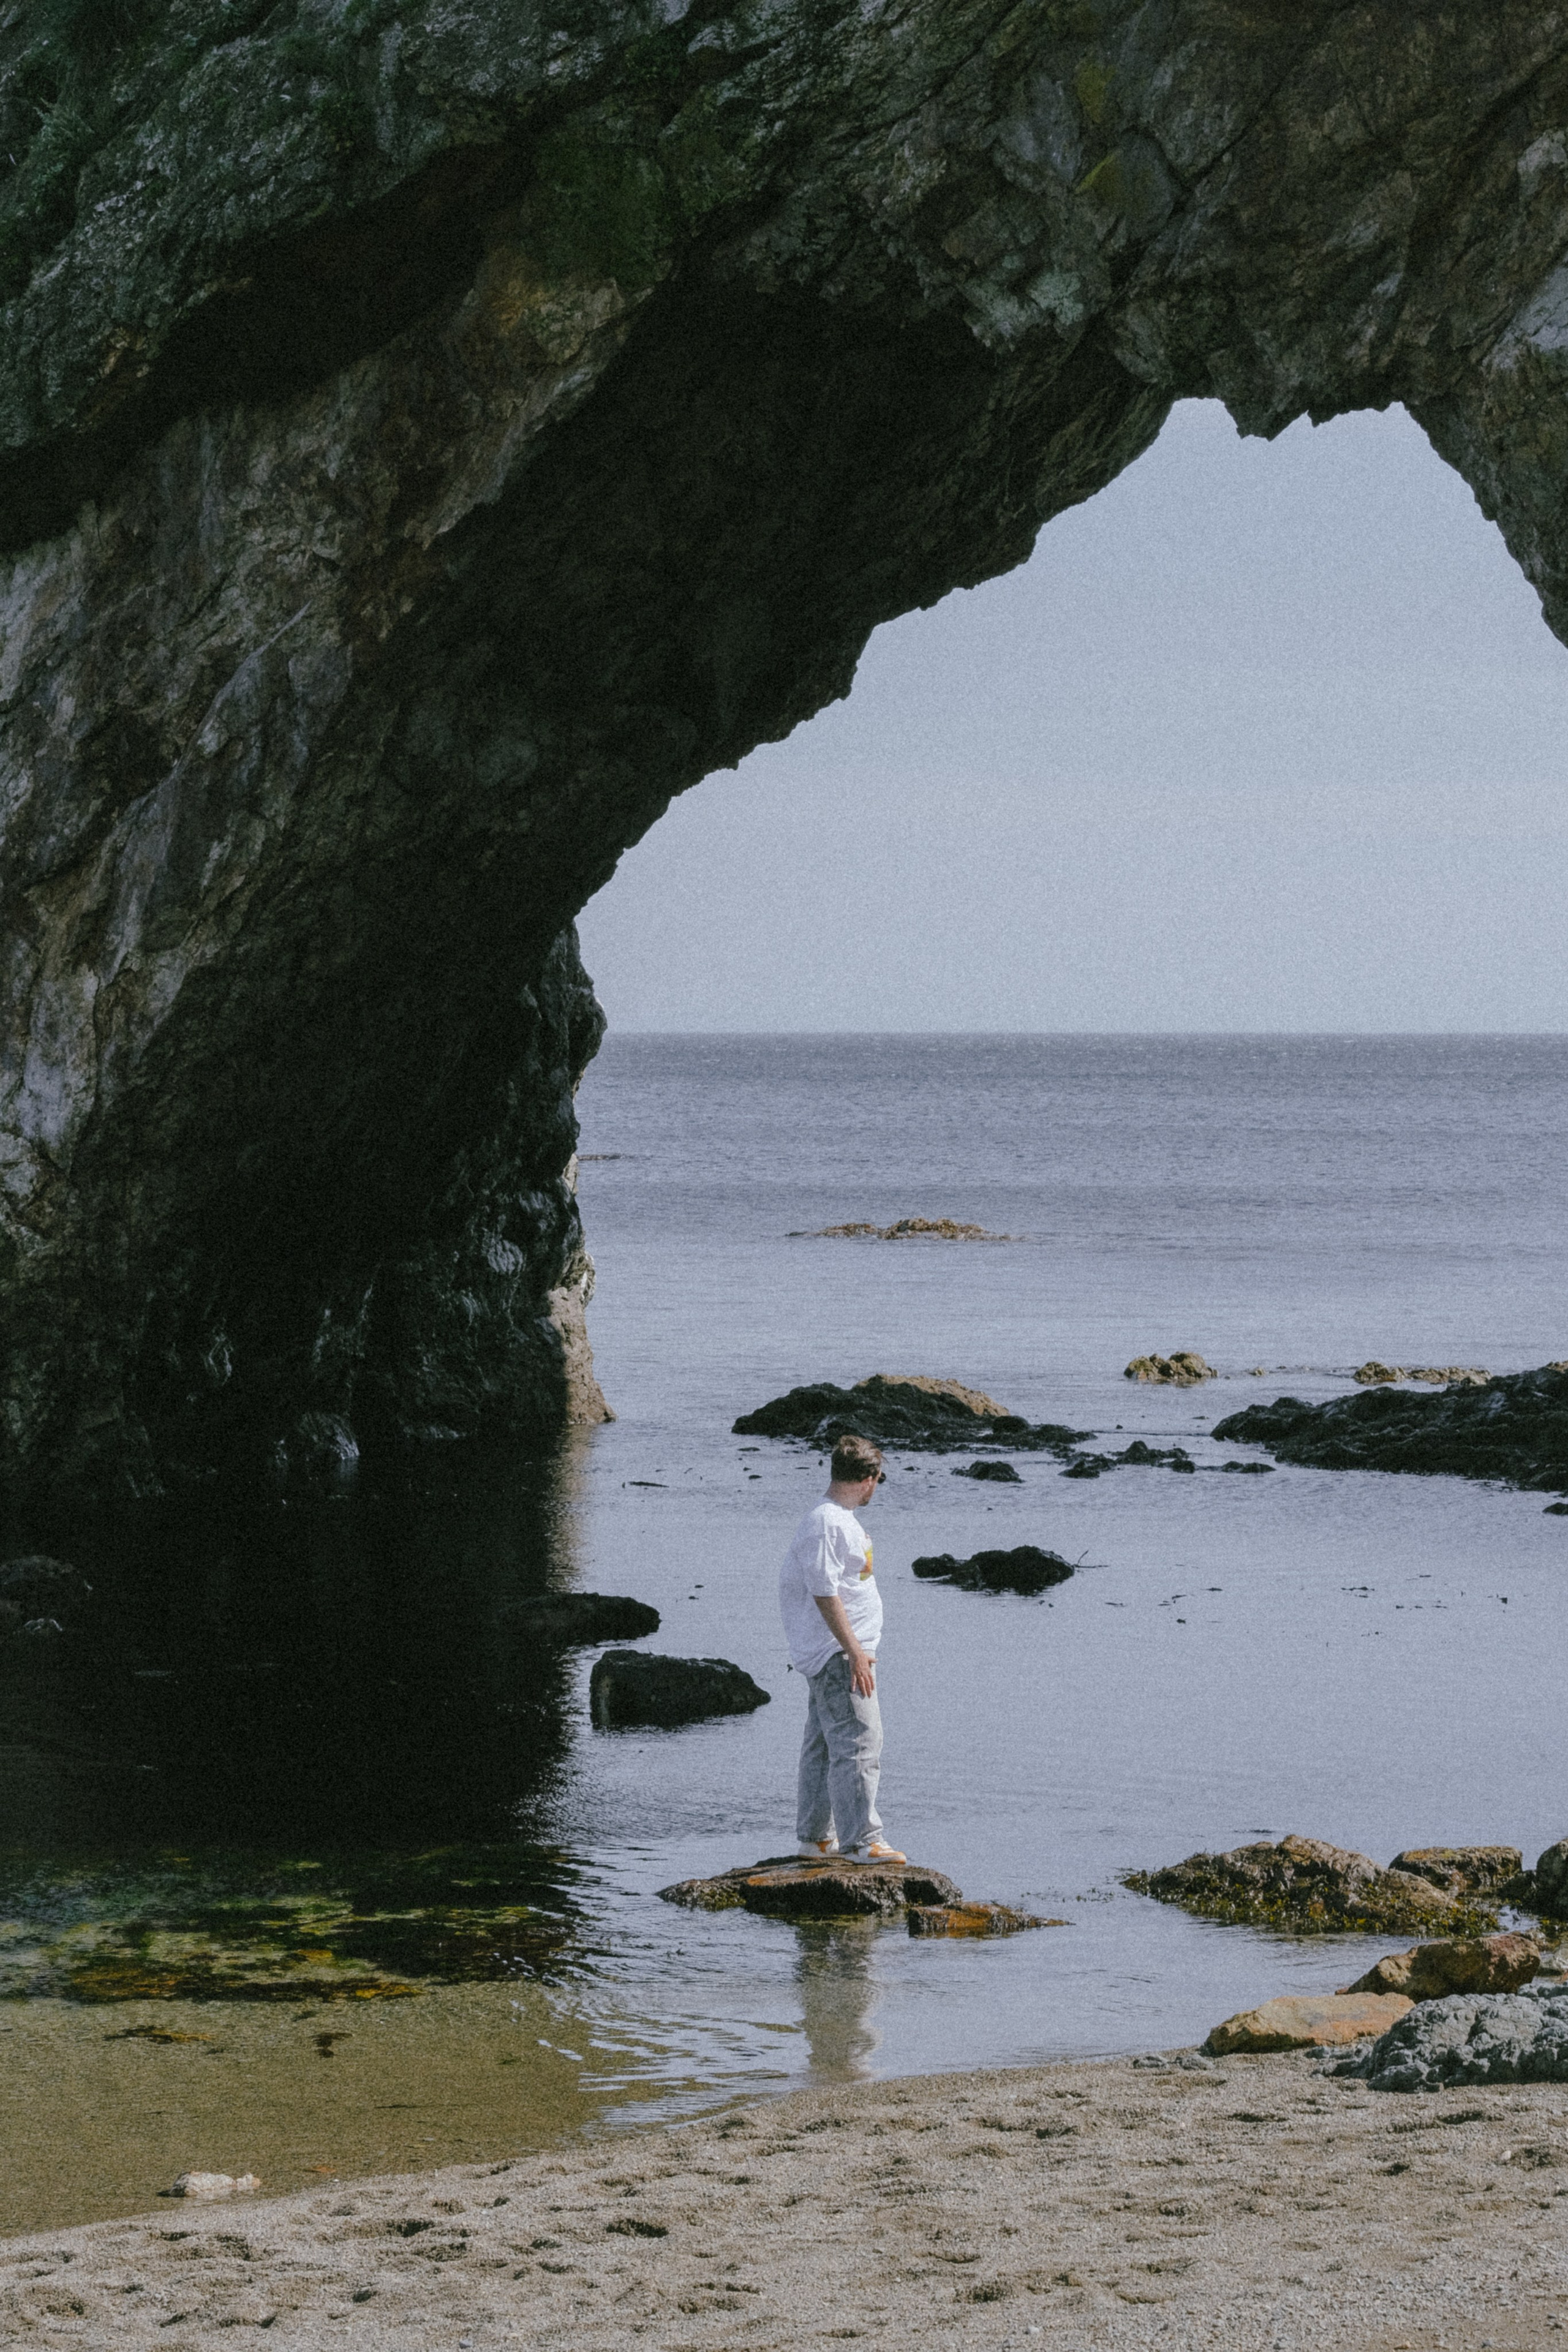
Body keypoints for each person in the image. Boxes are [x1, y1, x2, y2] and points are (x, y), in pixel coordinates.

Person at [778, 1430, 905, 1865]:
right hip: (838, 1655)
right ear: (870, 1477)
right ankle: (862, 1841)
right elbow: (823, 1590)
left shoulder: (833, 1520)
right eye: (879, 1480)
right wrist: (853, 1650)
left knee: (825, 1745)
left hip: (835, 1652)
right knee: (860, 1740)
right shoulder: (828, 1522)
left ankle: (816, 1839)